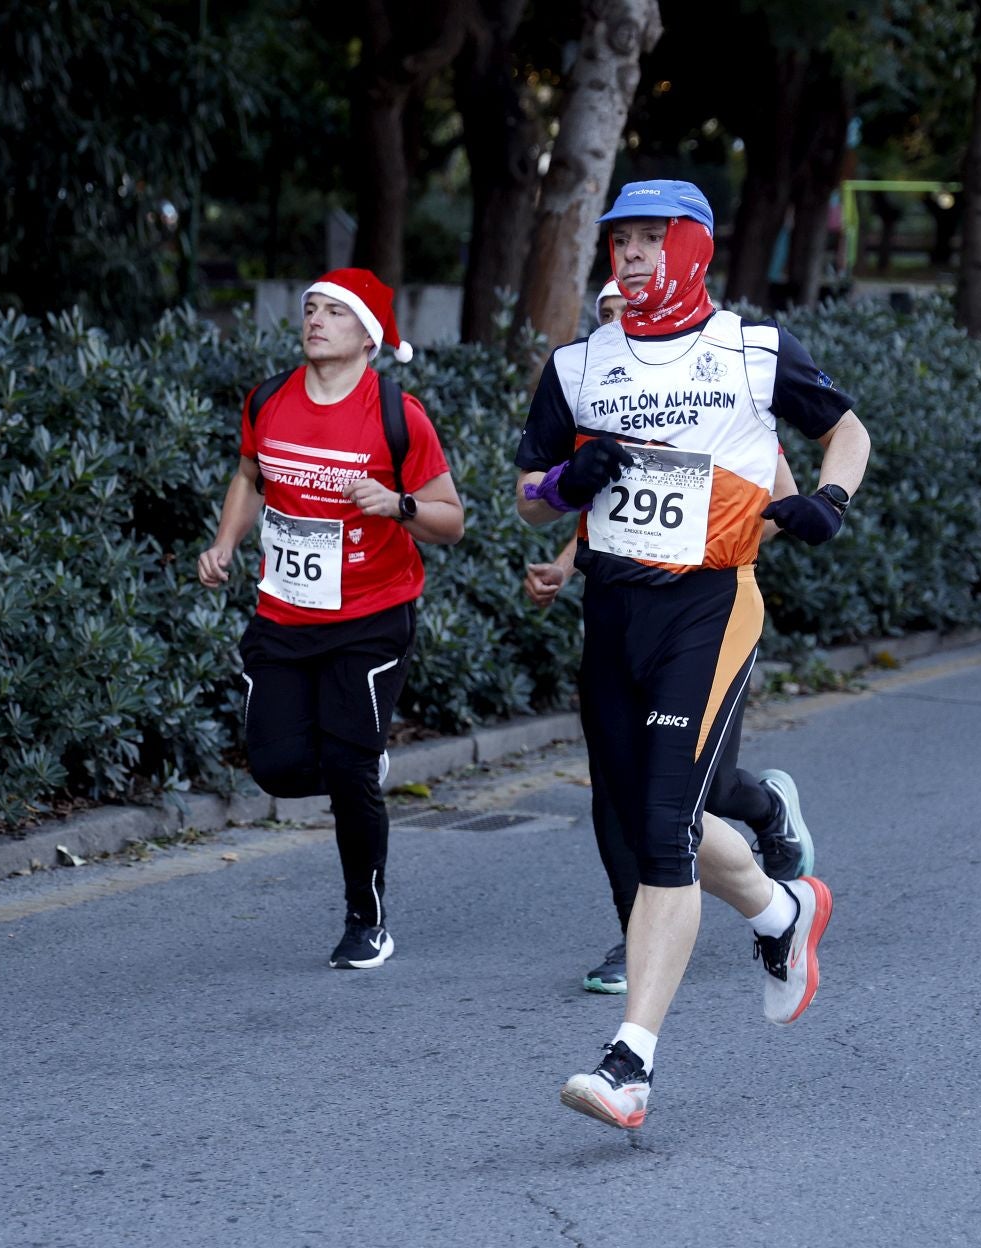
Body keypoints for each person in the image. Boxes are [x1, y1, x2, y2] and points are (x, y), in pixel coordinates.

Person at [514, 180, 870, 1129]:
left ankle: (630, 1063)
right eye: (618, 243)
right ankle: (784, 914)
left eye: (647, 241)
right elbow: (527, 495)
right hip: (613, 611)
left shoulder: (751, 352)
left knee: (665, 827)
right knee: (640, 815)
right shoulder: (580, 365)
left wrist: (828, 501)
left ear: (692, 248)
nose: (628, 258)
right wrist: (565, 479)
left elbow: (846, 428)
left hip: (710, 606)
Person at [524, 283, 815, 998]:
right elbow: (592, 511)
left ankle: (769, 811)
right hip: (622, 609)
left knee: (701, 792)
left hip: (705, 611)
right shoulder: (597, 394)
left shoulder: (723, 403)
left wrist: (708, 523)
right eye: (608, 317)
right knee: (621, 792)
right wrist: (566, 555)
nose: (624, 329)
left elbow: (776, 506)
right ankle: (636, 933)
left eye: (633, 312)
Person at [197, 268, 465, 969]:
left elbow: (451, 519)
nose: (315, 319)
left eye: (335, 312)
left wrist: (397, 505)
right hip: (284, 611)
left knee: (347, 768)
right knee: (278, 766)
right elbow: (251, 474)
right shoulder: (269, 400)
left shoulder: (397, 416)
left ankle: (365, 920)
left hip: (372, 616)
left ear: (368, 336)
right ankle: (359, 762)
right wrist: (225, 541)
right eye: (311, 308)